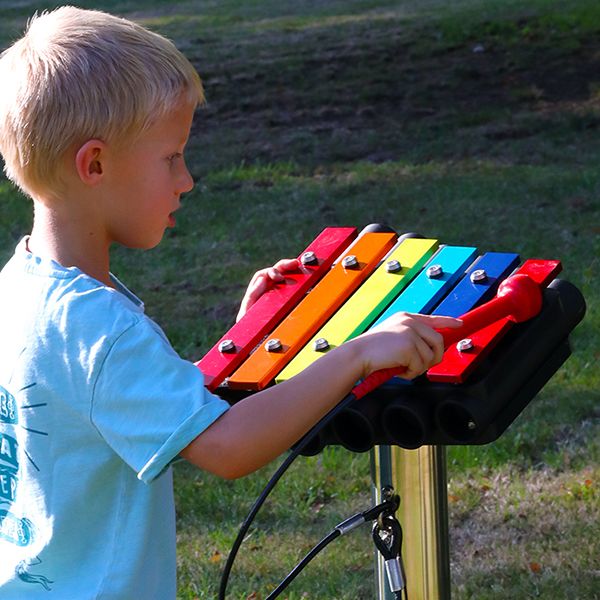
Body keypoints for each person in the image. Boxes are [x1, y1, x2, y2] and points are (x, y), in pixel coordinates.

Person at [0, 6, 461, 598]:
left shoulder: (24, 289)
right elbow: (225, 447)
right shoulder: (100, 327)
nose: (186, 179)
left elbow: (130, 404)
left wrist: (243, 337)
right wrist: (357, 356)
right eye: (171, 157)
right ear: (95, 164)